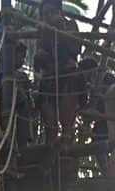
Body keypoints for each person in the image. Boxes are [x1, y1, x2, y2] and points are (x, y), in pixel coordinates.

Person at [34, 0, 83, 144]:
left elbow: (76, 49)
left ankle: (67, 160)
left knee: (67, 126)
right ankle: (50, 162)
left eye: (52, 12)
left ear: (60, 12)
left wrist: (59, 29)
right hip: (48, 82)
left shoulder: (71, 24)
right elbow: (38, 62)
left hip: (69, 79)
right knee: (50, 128)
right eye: (45, 14)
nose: (48, 16)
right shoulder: (42, 30)